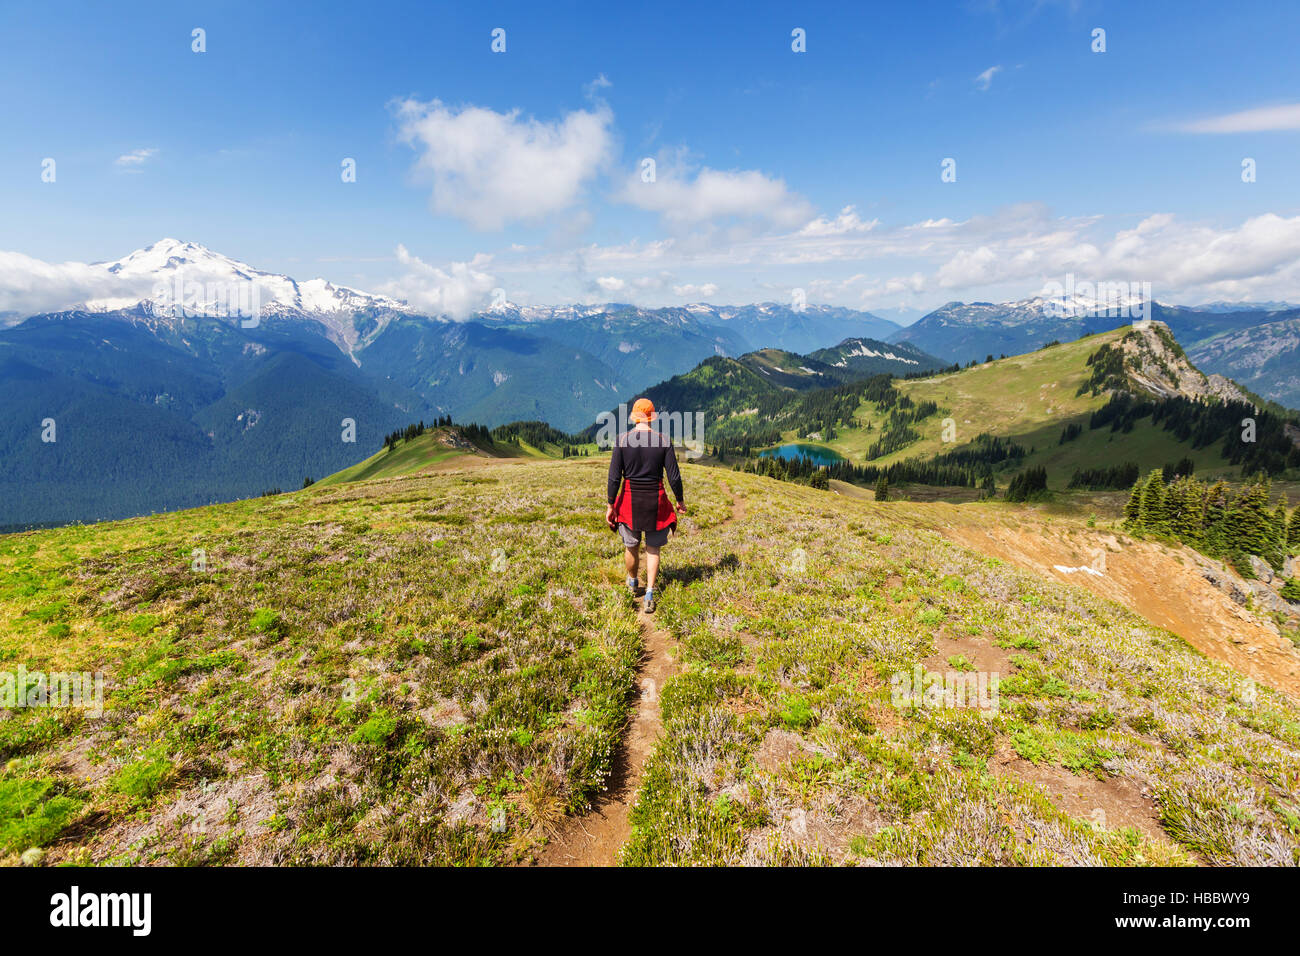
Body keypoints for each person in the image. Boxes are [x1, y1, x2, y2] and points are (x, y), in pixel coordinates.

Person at [605, 398, 686, 613]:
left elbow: (614, 478)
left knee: (631, 545)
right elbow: (674, 477)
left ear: (633, 416)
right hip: (655, 500)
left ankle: (632, 581)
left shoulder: (622, 440)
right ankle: (649, 592)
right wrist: (679, 500)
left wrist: (610, 505)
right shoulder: (663, 441)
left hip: (629, 501)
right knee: (653, 549)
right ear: (652, 417)